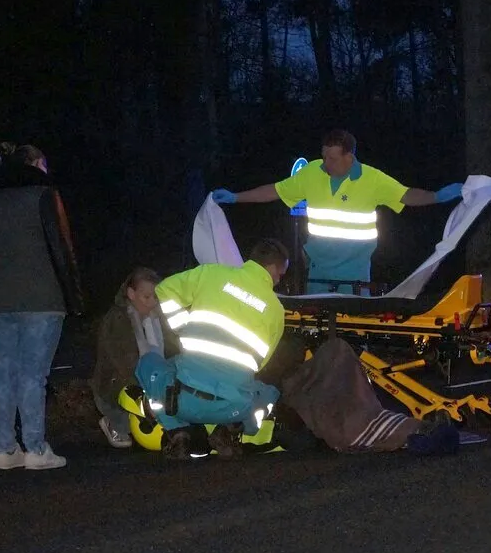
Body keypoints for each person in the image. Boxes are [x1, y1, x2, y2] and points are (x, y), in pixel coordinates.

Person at [213, 129, 462, 293]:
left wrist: (437, 196)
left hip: (355, 277)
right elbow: (275, 191)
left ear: (349, 157)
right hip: (318, 274)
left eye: (332, 158)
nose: (326, 163)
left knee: (352, 335)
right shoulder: (312, 172)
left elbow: (406, 195)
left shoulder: (372, 179)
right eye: (324, 156)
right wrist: (236, 197)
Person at [0, 142, 82, 470]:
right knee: (34, 374)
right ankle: (35, 448)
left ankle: (5, 449)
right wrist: (74, 294)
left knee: (5, 370)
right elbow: (61, 247)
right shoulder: (43, 197)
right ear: (34, 164)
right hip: (41, 297)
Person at [134, 238, 291, 458]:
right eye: (280, 275)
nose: (277, 280)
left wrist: (181, 328)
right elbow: (260, 364)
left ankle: (175, 430)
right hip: (234, 406)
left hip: (183, 400)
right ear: (273, 268)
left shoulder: (211, 274)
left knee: (148, 365)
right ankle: (228, 431)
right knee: (269, 393)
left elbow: (165, 290)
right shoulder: (276, 310)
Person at [91, 267, 173, 448]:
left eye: (156, 297)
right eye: (147, 297)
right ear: (131, 293)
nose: (152, 303)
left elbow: (174, 349)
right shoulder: (118, 320)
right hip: (119, 381)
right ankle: (116, 421)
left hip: (154, 377)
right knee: (143, 417)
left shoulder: (159, 318)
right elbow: (124, 363)